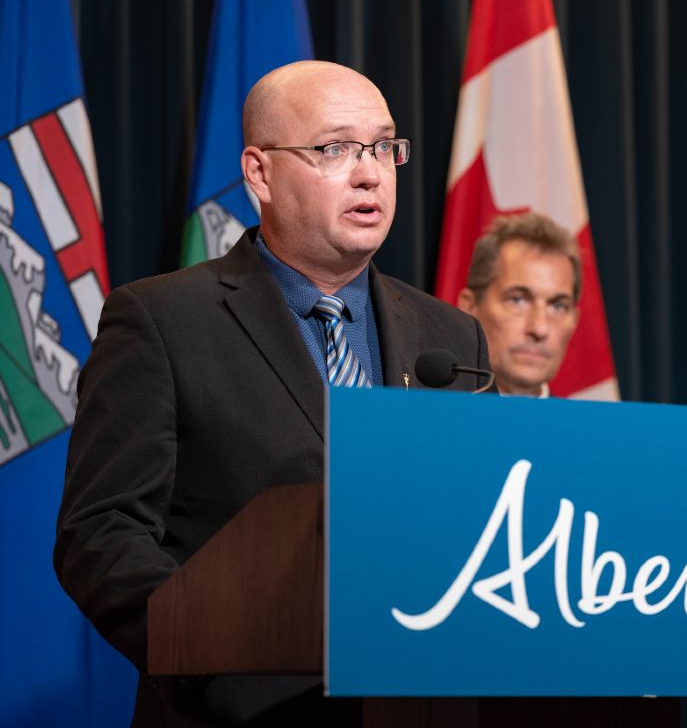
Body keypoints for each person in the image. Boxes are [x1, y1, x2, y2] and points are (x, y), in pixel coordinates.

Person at [53, 61, 491, 727]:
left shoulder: (451, 338)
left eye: (384, 147)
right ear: (259, 173)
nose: (371, 173)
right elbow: (100, 534)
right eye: (335, 149)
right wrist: (214, 649)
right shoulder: (162, 322)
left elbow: (484, 526)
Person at [457, 212, 580, 397]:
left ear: (574, 320)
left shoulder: (588, 425)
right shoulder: (428, 419)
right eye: (518, 300)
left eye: (557, 306)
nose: (539, 329)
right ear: (469, 307)